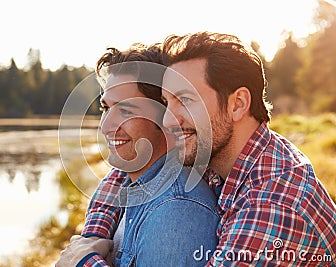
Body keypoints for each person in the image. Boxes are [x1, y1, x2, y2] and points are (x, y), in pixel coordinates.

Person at [59, 31, 336, 266]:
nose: (169, 120)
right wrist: (92, 238)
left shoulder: (273, 203)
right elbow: (128, 174)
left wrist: (83, 261)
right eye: (167, 103)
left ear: (237, 104)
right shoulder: (219, 153)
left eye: (186, 100)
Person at [55, 43, 219, 267]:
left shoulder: (176, 212)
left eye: (126, 111)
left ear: (166, 116)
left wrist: (81, 262)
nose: (106, 126)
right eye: (106, 108)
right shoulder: (130, 185)